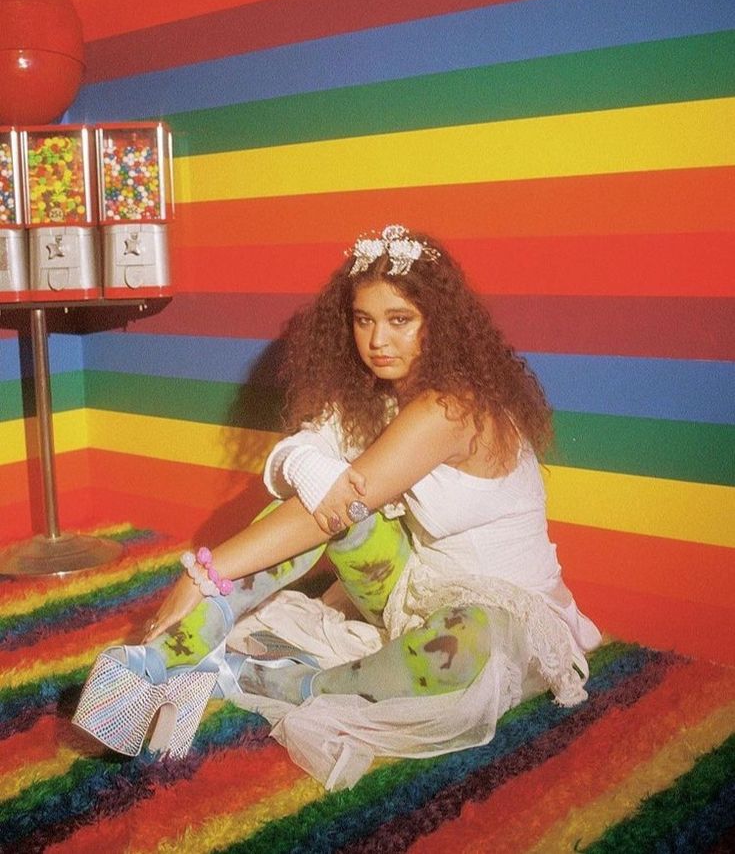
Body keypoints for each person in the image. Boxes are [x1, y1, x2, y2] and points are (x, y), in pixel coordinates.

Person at [73, 224, 601, 790]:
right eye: (364, 319)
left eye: (400, 320)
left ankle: (256, 678)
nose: (378, 340)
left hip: (501, 618)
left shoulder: (451, 409)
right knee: (327, 503)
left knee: (459, 636)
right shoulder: (375, 398)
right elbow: (295, 459)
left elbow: (334, 504)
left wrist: (202, 573)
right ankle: (159, 662)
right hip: (408, 593)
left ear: (438, 324)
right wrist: (304, 468)